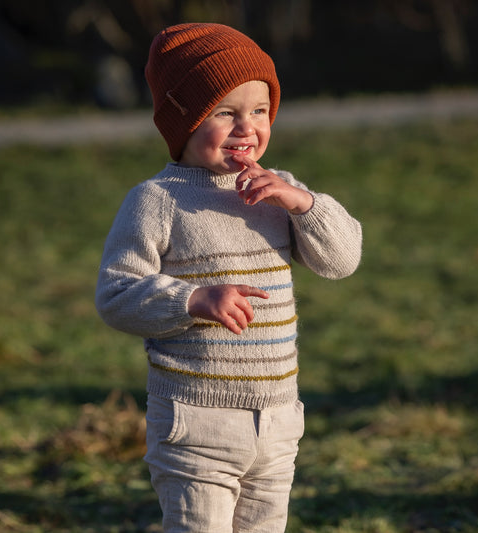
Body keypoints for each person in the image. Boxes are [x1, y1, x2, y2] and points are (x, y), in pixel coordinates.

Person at [95, 22, 362, 533]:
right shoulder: (157, 200)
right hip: (196, 424)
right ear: (184, 121)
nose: (247, 128)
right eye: (225, 112)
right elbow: (116, 293)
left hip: (277, 423)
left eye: (259, 111)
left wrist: (305, 205)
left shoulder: (278, 190)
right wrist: (191, 299)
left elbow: (342, 261)